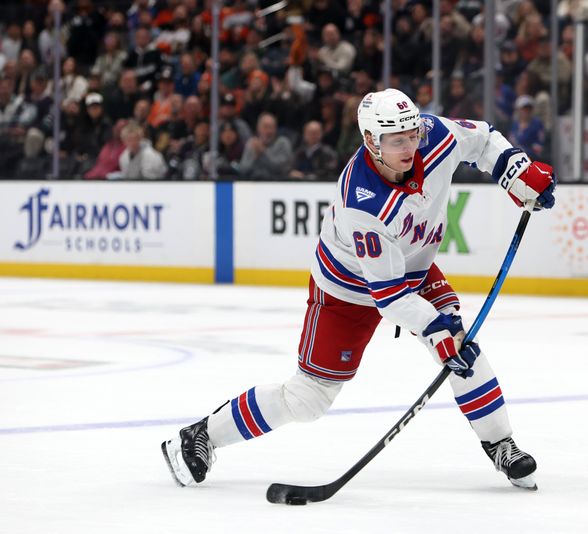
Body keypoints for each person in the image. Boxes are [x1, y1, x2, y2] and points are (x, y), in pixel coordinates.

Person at [161, 88, 556, 491]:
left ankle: (501, 445)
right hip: (345, 293)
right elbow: (389, 297)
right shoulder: (362, 203)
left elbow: (483, 139)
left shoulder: (434, 136)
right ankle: (202, 435)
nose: (410, 146)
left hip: (412, 270)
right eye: (397, 140)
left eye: (412, 134)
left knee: (462, 347)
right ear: (371, 141)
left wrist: (516, 170)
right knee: (307, 399)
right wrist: (433, 328)